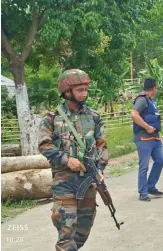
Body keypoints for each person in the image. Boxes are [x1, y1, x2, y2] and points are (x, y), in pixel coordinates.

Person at [38, 69, 109, 250]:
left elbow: (102, 146)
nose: (84, 93)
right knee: (66, 230)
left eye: (86, 89)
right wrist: (65, 159)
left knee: (83, 231)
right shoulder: (51, 118)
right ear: (67, 91)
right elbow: (44, 145)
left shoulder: (93, 116)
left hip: (88, 181)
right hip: (64, 181)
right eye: (80, 90)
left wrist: (99, 170)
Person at [131, 78, 163, 202]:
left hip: (155, 137)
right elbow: (134, 114)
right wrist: (147, 127)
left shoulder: (151, 101)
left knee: (160, 160)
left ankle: (151, 186)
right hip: (143, 138)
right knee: (144, 165)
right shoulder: (142, 99)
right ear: (154, 88)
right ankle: (143, 192)